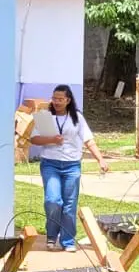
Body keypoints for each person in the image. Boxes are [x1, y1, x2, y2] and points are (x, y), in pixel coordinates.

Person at [30, 84, 110, 252]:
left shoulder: (77, 118)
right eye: (54, 98)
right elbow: (34, 139)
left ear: (68, 100)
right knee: (52, 201)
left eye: (60, 99)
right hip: (50, 163)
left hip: (72, 165)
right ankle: (52, 237)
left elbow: (89, 140)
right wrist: (51, 139)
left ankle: (67, 241)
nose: (56, 102)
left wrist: (100, 160)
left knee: (69, 204)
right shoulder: (45, 117)